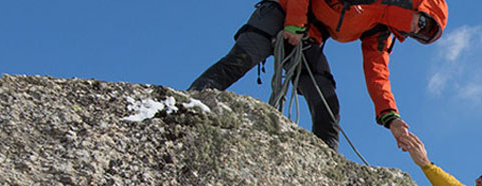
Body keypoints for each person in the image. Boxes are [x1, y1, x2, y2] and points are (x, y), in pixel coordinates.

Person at [188, 0, 447, 150]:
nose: (416, 30)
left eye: (421, 35)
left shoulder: (380, 30)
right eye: (423, 24)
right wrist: (294, 22)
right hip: (284, 8)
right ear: (420, 6)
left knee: (326, 101)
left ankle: (325, 162)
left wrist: (391, 118)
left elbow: (377, 73)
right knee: (243, 58)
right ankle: (188, 105)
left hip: (309, 34)